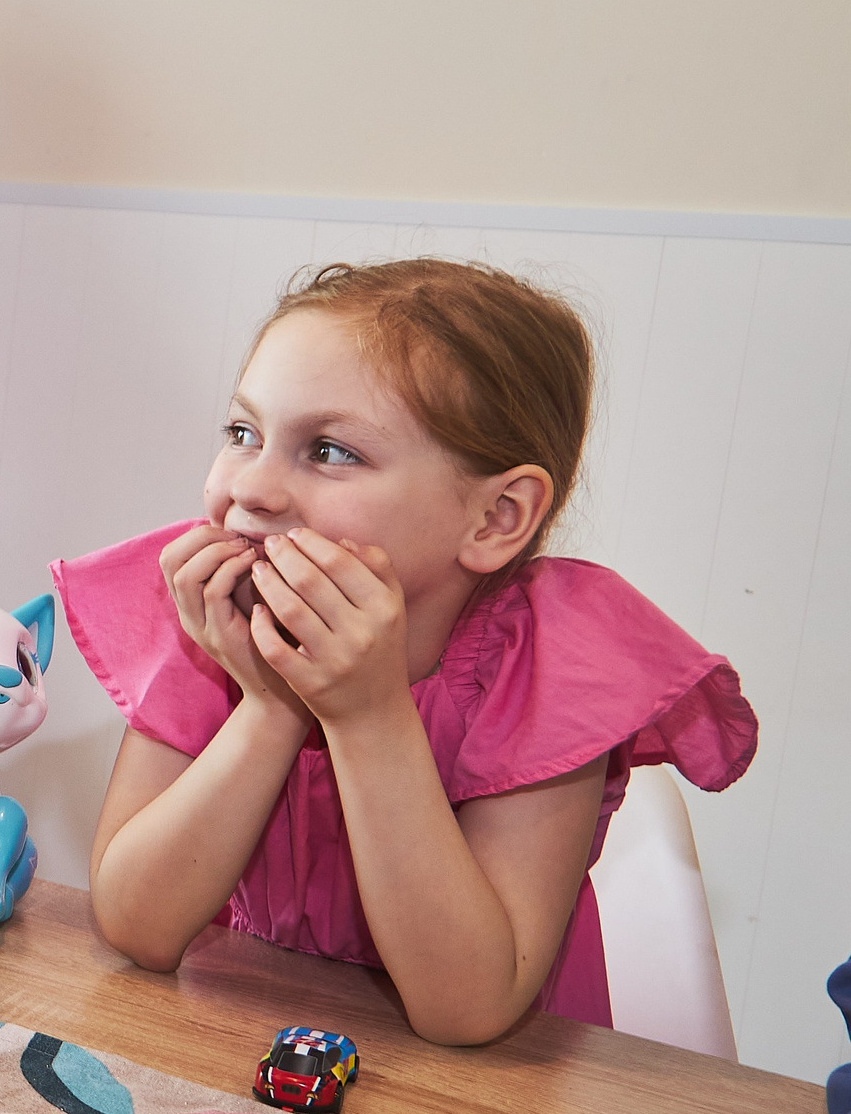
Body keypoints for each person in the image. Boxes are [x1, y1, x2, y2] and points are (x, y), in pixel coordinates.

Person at [53, 259, 756, 1044]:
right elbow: (134, 925)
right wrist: (272, 705)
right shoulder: (211, 623)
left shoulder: (546, 668)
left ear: (495, 517)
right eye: (244, 432)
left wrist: (366, 713)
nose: (252, 487)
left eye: (329, 450)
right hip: (240, 1068)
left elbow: (467, 1008)